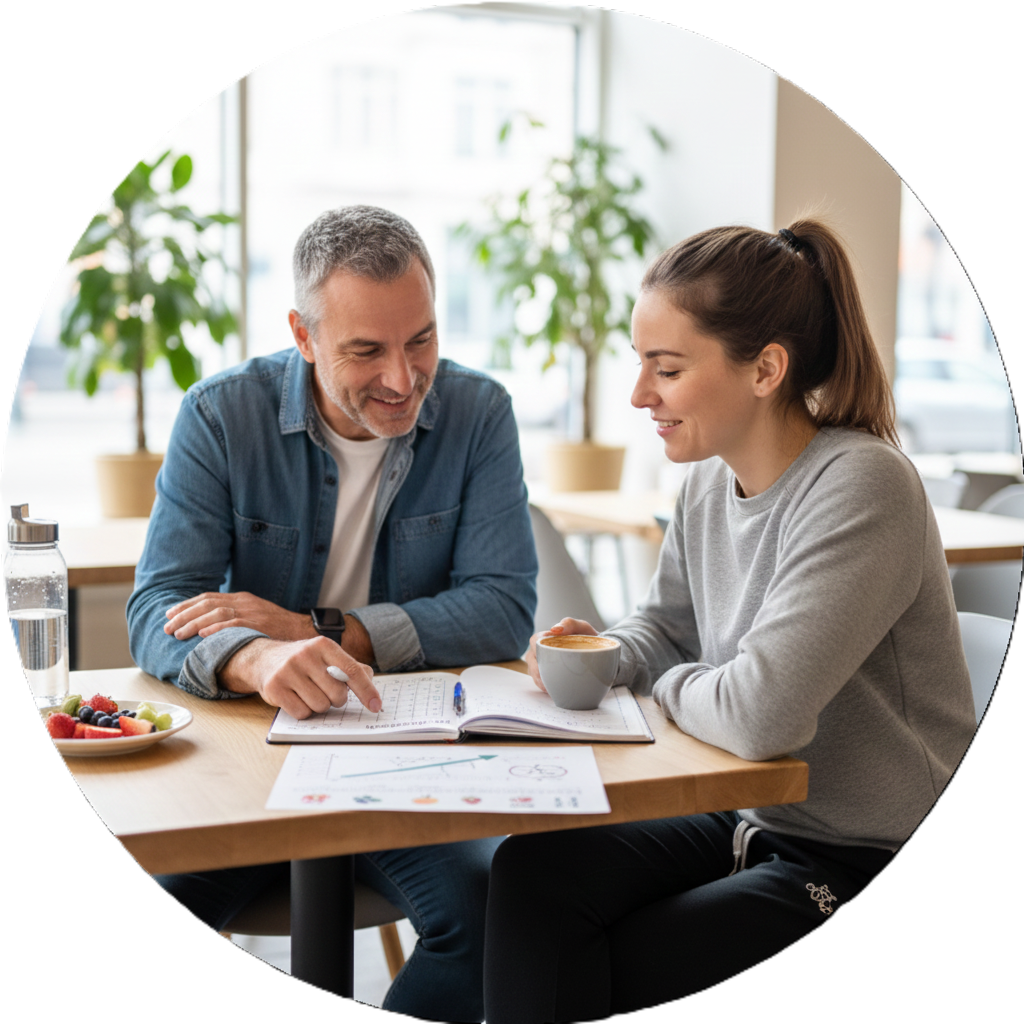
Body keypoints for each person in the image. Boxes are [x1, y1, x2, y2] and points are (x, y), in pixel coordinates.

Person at [482, 220, 977, 1021]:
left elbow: (760, 714)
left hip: (859, 852)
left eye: (666, 368)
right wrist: (599, 653)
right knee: (534, 877)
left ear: (766, 369)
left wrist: (669, 684)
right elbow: (667, 628)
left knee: (625, 963)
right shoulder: (709, 484)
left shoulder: (864, 486)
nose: (640, 395)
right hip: (756, 818)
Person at [127, 205, 537, 1021]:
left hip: (412, 763)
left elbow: (504, 608)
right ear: (303, 335)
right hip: (256, 754)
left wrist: (316, 630)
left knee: (494, 915)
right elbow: (156, 607)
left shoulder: (479, 411)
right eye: (365, 350)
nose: (402, 378)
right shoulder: (220, 414)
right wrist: (256, 658)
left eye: (420, 339)